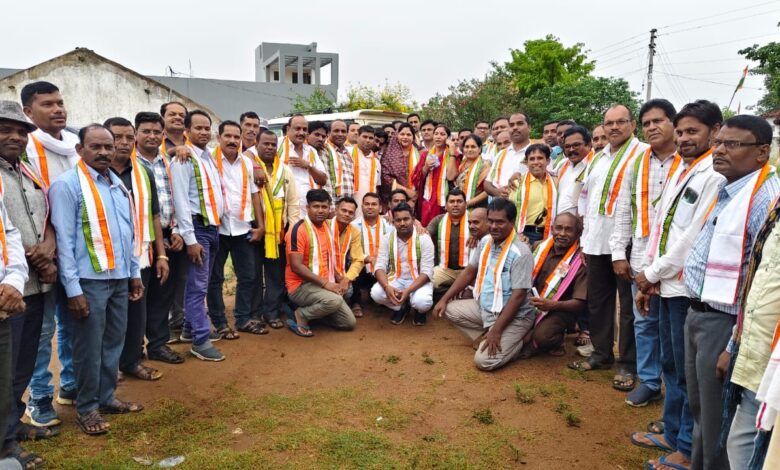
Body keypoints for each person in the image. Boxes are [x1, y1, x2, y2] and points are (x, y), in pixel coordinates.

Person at [681, 115, 780, 470]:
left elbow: (759, 279)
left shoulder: (764, 198)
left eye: (732, 144)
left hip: (723, 322)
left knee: (716, 422)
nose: (719, 150)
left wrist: (732, 342)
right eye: (718, 142)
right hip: (699, 312)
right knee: (701, 411)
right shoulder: (730, 188)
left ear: (762, 152)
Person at [632, 100, 725, 470]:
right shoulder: (683, 169)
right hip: (664, 284)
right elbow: (661, 227)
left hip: (685, 289)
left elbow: (693, 236)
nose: (685, 138)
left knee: (688, 374)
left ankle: (686, 449)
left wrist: (652, 273)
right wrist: (649, 275)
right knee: (671, 364)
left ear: (715, 131)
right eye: (682, 131)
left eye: (692, 131)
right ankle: (672, 433)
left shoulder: (714, 175)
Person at [49, 124, 145, 435]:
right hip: (88, 281)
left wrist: (134, 274)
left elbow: (129, 234)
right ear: (80, 150)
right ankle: (87, 408)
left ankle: (106, 397)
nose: (104, 152)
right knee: (88, 347)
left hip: (119, 277)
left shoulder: (118, 185)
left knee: (113, 342)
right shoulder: (67, 185)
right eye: (96, 147)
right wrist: (73, 290)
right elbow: (64, 241)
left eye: (108, 146)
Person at [569, 105, 649, 383]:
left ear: (633, 125)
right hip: (596, 241)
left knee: (628, 307)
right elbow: (586, 199)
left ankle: (628, 363)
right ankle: (602, 353)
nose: (614, 127)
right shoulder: (599, 157)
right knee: (598, 301)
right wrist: (585, 240)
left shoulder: (643, 154)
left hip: (626, 244)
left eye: (620, 122)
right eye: (609, 123)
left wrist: (623, 249)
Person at [610, 99, 680, 406]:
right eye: (647, 123)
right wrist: (618, 253)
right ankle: (650, 382)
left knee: (674, 331)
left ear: (673, 123)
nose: (652, 127)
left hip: (676, 263)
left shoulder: (689, 162)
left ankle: (675, 392)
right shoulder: (636, 164)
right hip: (641, 258)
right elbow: (624, 211)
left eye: (658, 121)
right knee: (645, 323)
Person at [21, 82, 78, 429]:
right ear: (29, 112)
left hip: (73, 252)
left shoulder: (74, 146)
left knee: (72, 323)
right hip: (37, 255)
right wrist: (45, 248)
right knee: (42, 331)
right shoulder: (23, 148)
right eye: (47, 104)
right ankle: (39, 397)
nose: (58, 109)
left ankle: (70, 384)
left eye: (60, 102)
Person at [0, 101, 51, 469]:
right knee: (4, 368)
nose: (15, 137)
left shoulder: (27, 171)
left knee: (23, 362)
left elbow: (36, 220)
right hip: (7, 291)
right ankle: (4, 444)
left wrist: (48, 248)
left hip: (32, 282)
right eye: (6, 130)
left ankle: (13, 423)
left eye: (21, 131)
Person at [433, 198, 535, 371]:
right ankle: (491, 333)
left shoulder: (521, 252)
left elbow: (518, 296)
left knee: (484, 361)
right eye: (491, 221)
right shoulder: (486, 241)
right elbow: (469, 272)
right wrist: (444, 298)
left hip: (516, 316)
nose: (494, 226)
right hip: (487, 308)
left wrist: (497, 330)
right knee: (449, 309)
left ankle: (522, 340)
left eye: (500, 222)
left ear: (512, 222)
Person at [104, 117, 169, 382]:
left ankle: (131, 361)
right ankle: (107, 369)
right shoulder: (93, 172)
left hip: (138, 256)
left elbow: (155, 216)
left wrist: (161, 254)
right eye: (116, 137)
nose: (123, 143)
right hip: (104, 258)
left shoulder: (143, 173)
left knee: (136, 312)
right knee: (107, 317)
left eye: (128, 137)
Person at [171, 110, 226, 361]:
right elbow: (181, 202)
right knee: (198, 287)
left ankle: (188, 329)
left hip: (212, 228)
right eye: (198, 128)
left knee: (199, 283)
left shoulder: (207, 158)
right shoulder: (183, 159)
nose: (204, 132)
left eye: (207, 128)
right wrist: (191, 240)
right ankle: (201, 341)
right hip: (198, 229)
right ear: (187, 131)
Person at [131, 112, 184, 365]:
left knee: (163, 294)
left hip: (168, 235)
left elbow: (176, 198)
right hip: (141, 240)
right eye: (146, 131)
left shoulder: (167, 161)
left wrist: (176, 230)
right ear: (136, 133)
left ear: (163, 134)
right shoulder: (129, 163)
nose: (152, 136)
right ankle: (133, 351)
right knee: (138, 295)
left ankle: (158, 344)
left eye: (156, 132)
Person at [206, 121, 264, 338]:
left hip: (242, 228)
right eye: (227, 136)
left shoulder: (247, 163)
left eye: (236, 137)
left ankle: (243, 318)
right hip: (217, 229)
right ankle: (220, 322)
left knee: (248, 276)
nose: (232, 140)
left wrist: (260, 226)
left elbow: (255, 195)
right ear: (218, 137)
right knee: (215, 279)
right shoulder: (208, 160)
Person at [285, 189, 356, 337]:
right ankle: (301, 315)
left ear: (329, 208)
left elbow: (327, 259)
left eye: (324, 207)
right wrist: (326, 284)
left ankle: (315, 313)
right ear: (307, 207)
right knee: (334, 301)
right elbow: (296, 266)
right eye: (316, 206)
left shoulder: (327, 227)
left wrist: (338, 278)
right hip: (300, 286)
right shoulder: (298, 230)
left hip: (321, 283)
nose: (320, 211)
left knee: (348, 323)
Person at [520, 213, 587, 358]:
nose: (562, 233)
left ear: (578, 233)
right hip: (533, 303)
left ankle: (557, 341)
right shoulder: (539, 247)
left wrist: (552, 305)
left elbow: (580, 303)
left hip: (561, 310)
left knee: (542, 336)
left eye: (568, 230)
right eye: (558, 228)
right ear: (551, 229)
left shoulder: (581, 261)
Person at [253, 130, 300, 329]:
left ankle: (271, 312)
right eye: (266, 143)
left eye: (273, 144)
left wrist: (291, 230)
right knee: (253, 274)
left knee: (275, 275)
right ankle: (253, 312)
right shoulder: (250, 166)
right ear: (256, 144)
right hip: (255, 229)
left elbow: (293, 203)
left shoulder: (285, 170)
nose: (270, 147)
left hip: (279, 232)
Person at [371, 202, 434, 325]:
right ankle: (402, 307)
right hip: (396, 279)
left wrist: (408, 290)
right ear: (393, 222)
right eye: (398, 220)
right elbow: (379, 266)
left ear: (413, 219)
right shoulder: (387, 238)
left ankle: (419, 311)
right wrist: (387, 287)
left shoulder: (424, 239)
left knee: (422, 302)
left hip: (418, 279)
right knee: (376, 293)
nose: (402, 223)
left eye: (406, 219)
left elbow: (427, 272)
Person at [159, 101, 189, 341]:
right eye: (172, 114)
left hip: (185, 223)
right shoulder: (155, 144)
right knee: (162, 279)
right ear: (163, 118)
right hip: (159, 224)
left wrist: (180, 228)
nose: (177, 117)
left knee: (183, 277)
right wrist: (170, 152)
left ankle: (181, 321)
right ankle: (163, 329)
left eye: (181, 114)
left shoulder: (193, 144)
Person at [351, 192, 392, 317]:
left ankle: (376, 294)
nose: (370, 207)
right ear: (362, 207)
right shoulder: (353, 226)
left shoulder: (389, 225)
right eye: (367, 204)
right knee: (354, 264)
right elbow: (351, 251)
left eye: (374, 204)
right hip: (363, 266)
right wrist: (367, 259)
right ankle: (355, 301)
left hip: (383, 267)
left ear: (380, 208)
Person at [508, 144, 557, 245]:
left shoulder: (556, 182)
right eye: (532, 159)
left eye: (540, 158)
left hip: (550, 234)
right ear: (527, 163)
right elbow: (509, 213)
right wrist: (516, 234)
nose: (536, 162)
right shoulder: (517, 183)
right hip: (524, 235)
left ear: (548, 161)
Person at [278, 115, 328, 213]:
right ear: (288, 129)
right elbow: (250, 153)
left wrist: (308, 166)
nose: (301, 133)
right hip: (283, 207)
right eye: (297, 129)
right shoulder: (277, 145)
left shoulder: (311, 151)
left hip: (306, 208)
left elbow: (323, 180)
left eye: (304, 129)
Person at [427, 189, 470, 293]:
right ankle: (454, 291)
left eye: (459, 201)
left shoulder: (474, 220)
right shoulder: (439, 220)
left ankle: (455, 291)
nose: (455, 205)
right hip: (445, 270)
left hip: (469, 270)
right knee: (427, 282)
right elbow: (425, 236)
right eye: (452, 201)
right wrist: (416, 223)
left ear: (466, 204)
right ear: (446, 206)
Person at [412, 124, 456, 226]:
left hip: (444, 200)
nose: (438, 137)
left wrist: (452, 152)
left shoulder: (453, 155)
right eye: (436, 134)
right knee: (426, 228)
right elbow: (416, 178)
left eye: (442, 134)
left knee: (442, 228)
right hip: (428, 199)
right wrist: (426, 167)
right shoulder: (425, 154)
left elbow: (451, 176)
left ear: (448, 138)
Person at [329, 197, 365, 312]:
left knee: (348, 291)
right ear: (336, 210)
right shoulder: (325, 226)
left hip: (341, 270)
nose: (347, 214)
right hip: (323, 270)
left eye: (350, 212)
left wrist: (346, 279)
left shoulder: (354, 231)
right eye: (344, 210)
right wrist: (336, 275)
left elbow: (358, 259)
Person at [485, 113, 530, 198]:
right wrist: (497, 192)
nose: (515, 127)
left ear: (529, 127)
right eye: (511, 125)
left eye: (520, 123)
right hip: (500, 203)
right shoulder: (501, 154)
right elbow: (487, 183)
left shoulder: (537, 152)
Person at [380, 123, 419, 206]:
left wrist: (414, 197)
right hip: (396, 197)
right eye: (402, 134)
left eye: (408, 134)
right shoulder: (389, 154)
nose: (405, 137)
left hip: (416, 197)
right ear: (397, 136)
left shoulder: (419, 153)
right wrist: (406, 191)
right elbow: (385, 177)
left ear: (413, 137)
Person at [556, 126, 592, 214]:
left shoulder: (595, 164)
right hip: (559, 219)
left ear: (588, 144)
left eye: (576, 145)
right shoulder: (562, 164)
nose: (571, 150)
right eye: (567, 146)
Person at [321, 120, 354, 200]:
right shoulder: (323, 150)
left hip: (348, 203)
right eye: (336, 131)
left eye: (343, 131)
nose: (340, 134)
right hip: (331, 202)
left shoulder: (349, 153)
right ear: (328, 133)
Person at [351, 126, 380, 217]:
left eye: (371, 138)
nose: (368, 140)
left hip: (369, 207)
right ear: (357, 137)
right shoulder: (348, 153)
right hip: (350, 204)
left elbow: (377, 186)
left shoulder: (376, 161)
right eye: (365, 137)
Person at [455, 135, 490, 208]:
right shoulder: (461, 164)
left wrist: (469, 203)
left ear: (479, 149)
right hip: (459, 204)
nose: (469, 149)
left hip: (477, 206)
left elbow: (488, 190)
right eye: (467, 147)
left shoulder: (485, 165)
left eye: (473, 147)